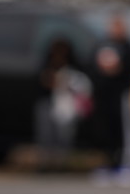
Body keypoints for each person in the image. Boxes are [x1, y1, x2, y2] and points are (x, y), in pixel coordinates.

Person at [89, 12, 130, 186]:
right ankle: (109, 165)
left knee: (128, 133)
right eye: (113, 26)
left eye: (119, 26)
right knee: (107, 131)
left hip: (123, 96)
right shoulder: (102, 45)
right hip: (105, 98)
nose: (116, 30)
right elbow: (92, 67)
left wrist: (118, 69)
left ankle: (129, 166)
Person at [34, 37, 91, 170]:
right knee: (46, 133)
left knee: (64, 134)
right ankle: (45, 162)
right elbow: (39, 83)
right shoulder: (46, 65)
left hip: (67, 105)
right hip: (48, 101)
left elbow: (82, 85)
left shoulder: (74, 67)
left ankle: (61, 163)